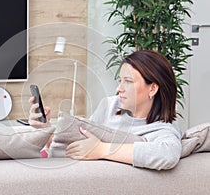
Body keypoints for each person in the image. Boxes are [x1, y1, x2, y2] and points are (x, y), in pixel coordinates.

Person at [28, 50, 182, 170]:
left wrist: (102, 149)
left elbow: (167, 155)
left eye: (128, 81)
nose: (119, 88)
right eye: (120, 81)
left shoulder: (162, 130)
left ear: (153, 88)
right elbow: (79, 144)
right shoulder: (110, 106)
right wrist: (46, 131)